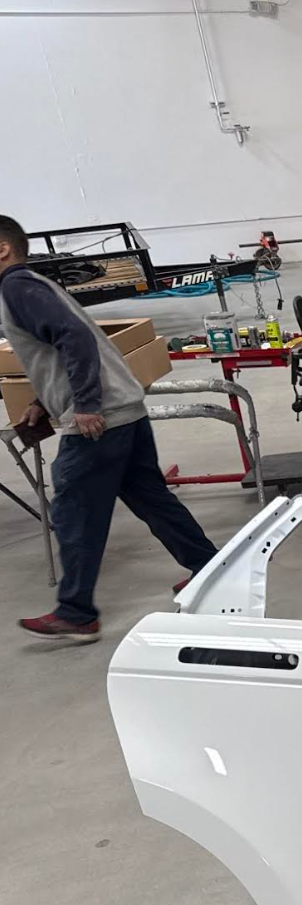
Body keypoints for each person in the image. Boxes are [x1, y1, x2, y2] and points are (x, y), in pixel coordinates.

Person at [0, 215, 216, 643]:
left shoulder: (17, 288)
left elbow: (75, 338)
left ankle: (76, 613)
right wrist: (46, 401)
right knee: (152, 499)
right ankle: (213, 572)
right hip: (124, 406)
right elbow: (59, 348)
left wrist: (84, 405)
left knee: (74, 512)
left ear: (2, 249)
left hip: (101, 418)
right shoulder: (33, 285)